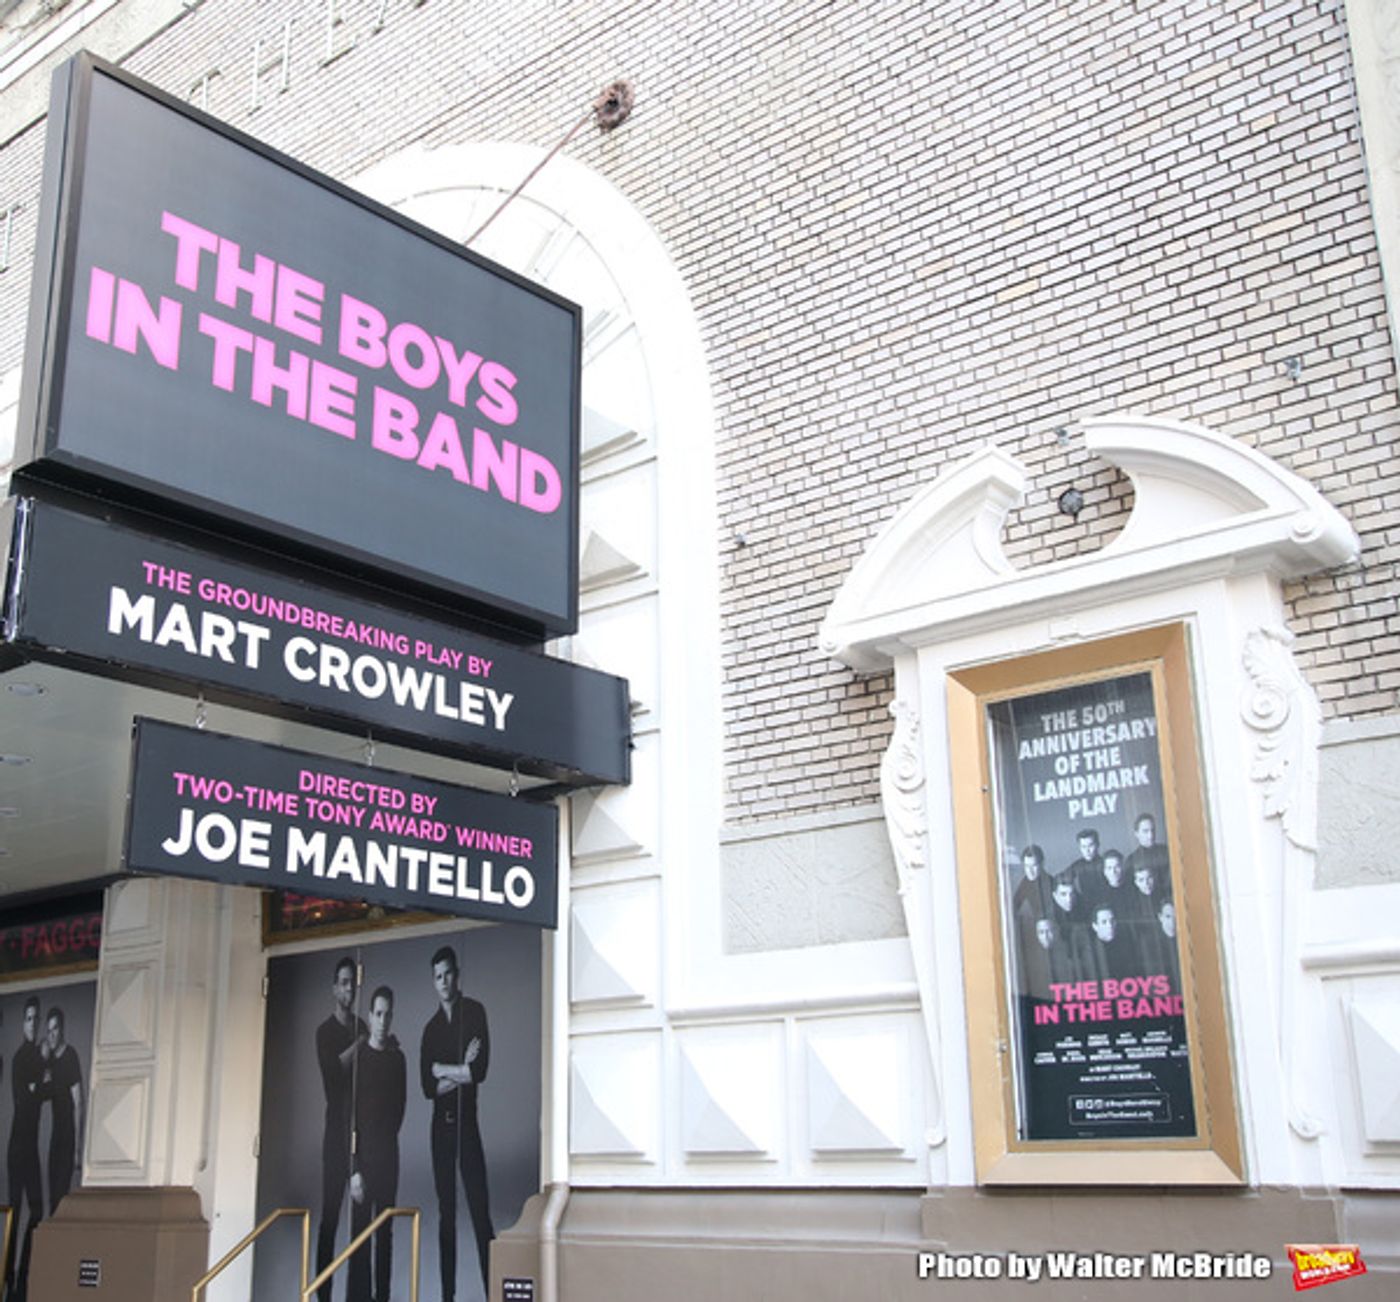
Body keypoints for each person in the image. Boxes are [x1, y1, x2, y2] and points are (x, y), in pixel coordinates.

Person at [420, 945, 493, 1302]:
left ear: (457, 974)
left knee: (480, 1211)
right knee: (445, 1215)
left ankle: (493, 1292)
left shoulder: (475, 1012)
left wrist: (446, 1071)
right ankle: (447, 1297)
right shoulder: (431, 1028)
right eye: (438, 976)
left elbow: (479, 1071)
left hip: (468, 1125)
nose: (444, 981)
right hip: (441, 1131)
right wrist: (460, 1068)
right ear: (433, 982)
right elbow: (426, 1087)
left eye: (448, 973)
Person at [315, 956, 368, 1302]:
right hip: (336, 1134)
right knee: (331, 1215)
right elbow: (333, 1072)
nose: (349, 989)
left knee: (362, 1218)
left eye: (353, 983)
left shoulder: (362, 1025)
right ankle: (322, 1293)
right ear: (335, 988)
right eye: (344, 983)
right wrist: (363, 1044)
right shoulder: (326, 1032)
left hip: (362, 1133)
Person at [349, 987, 406, 1302]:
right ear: (370, 1016)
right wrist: (355, 1168)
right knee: (360, 1236)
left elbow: (400, 1109)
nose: (383, 1020)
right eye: (378, 1014)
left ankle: (381, 1297)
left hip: (389, 1159)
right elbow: (351, 1118)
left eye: (388, 1014)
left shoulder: (398, 1060)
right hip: (364, 1162)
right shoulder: (360, 1060)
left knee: (385, 1233)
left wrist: (385, 1146)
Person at [5, 998, 44, 1302]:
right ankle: (10, 1278)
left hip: (29, 1145)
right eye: (28, 1019)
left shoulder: (35, 1055)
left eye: (35, 1019)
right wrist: (40, 1084)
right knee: (15, 1213)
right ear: (23, 1023)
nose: (32, 1023)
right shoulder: (21, 1057)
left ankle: (22, 1274)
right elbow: (27, 1096)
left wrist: (40, 1085)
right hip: (19, 1144)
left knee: (35, 1209)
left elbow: (40, 1090)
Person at [40, 1006, 83, 1213]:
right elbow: (42, 1094)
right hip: (55, 1137)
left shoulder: (70, 1055)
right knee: (52, 1199)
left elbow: (79, 1103)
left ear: (62, 1029)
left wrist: (77, 1148)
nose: (52, 1034)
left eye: (55, 1029)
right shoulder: (51, 1061)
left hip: (68, 1136)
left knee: (60, 1198)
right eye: (48, 1031)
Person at [1063, 828, 1103, 898]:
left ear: (1098, 844)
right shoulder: (1076, 866)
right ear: (1079, 848)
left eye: (1090, 845)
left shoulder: (1107, 864)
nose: (1087, 850)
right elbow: (1062, 880)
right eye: (1083, 847)